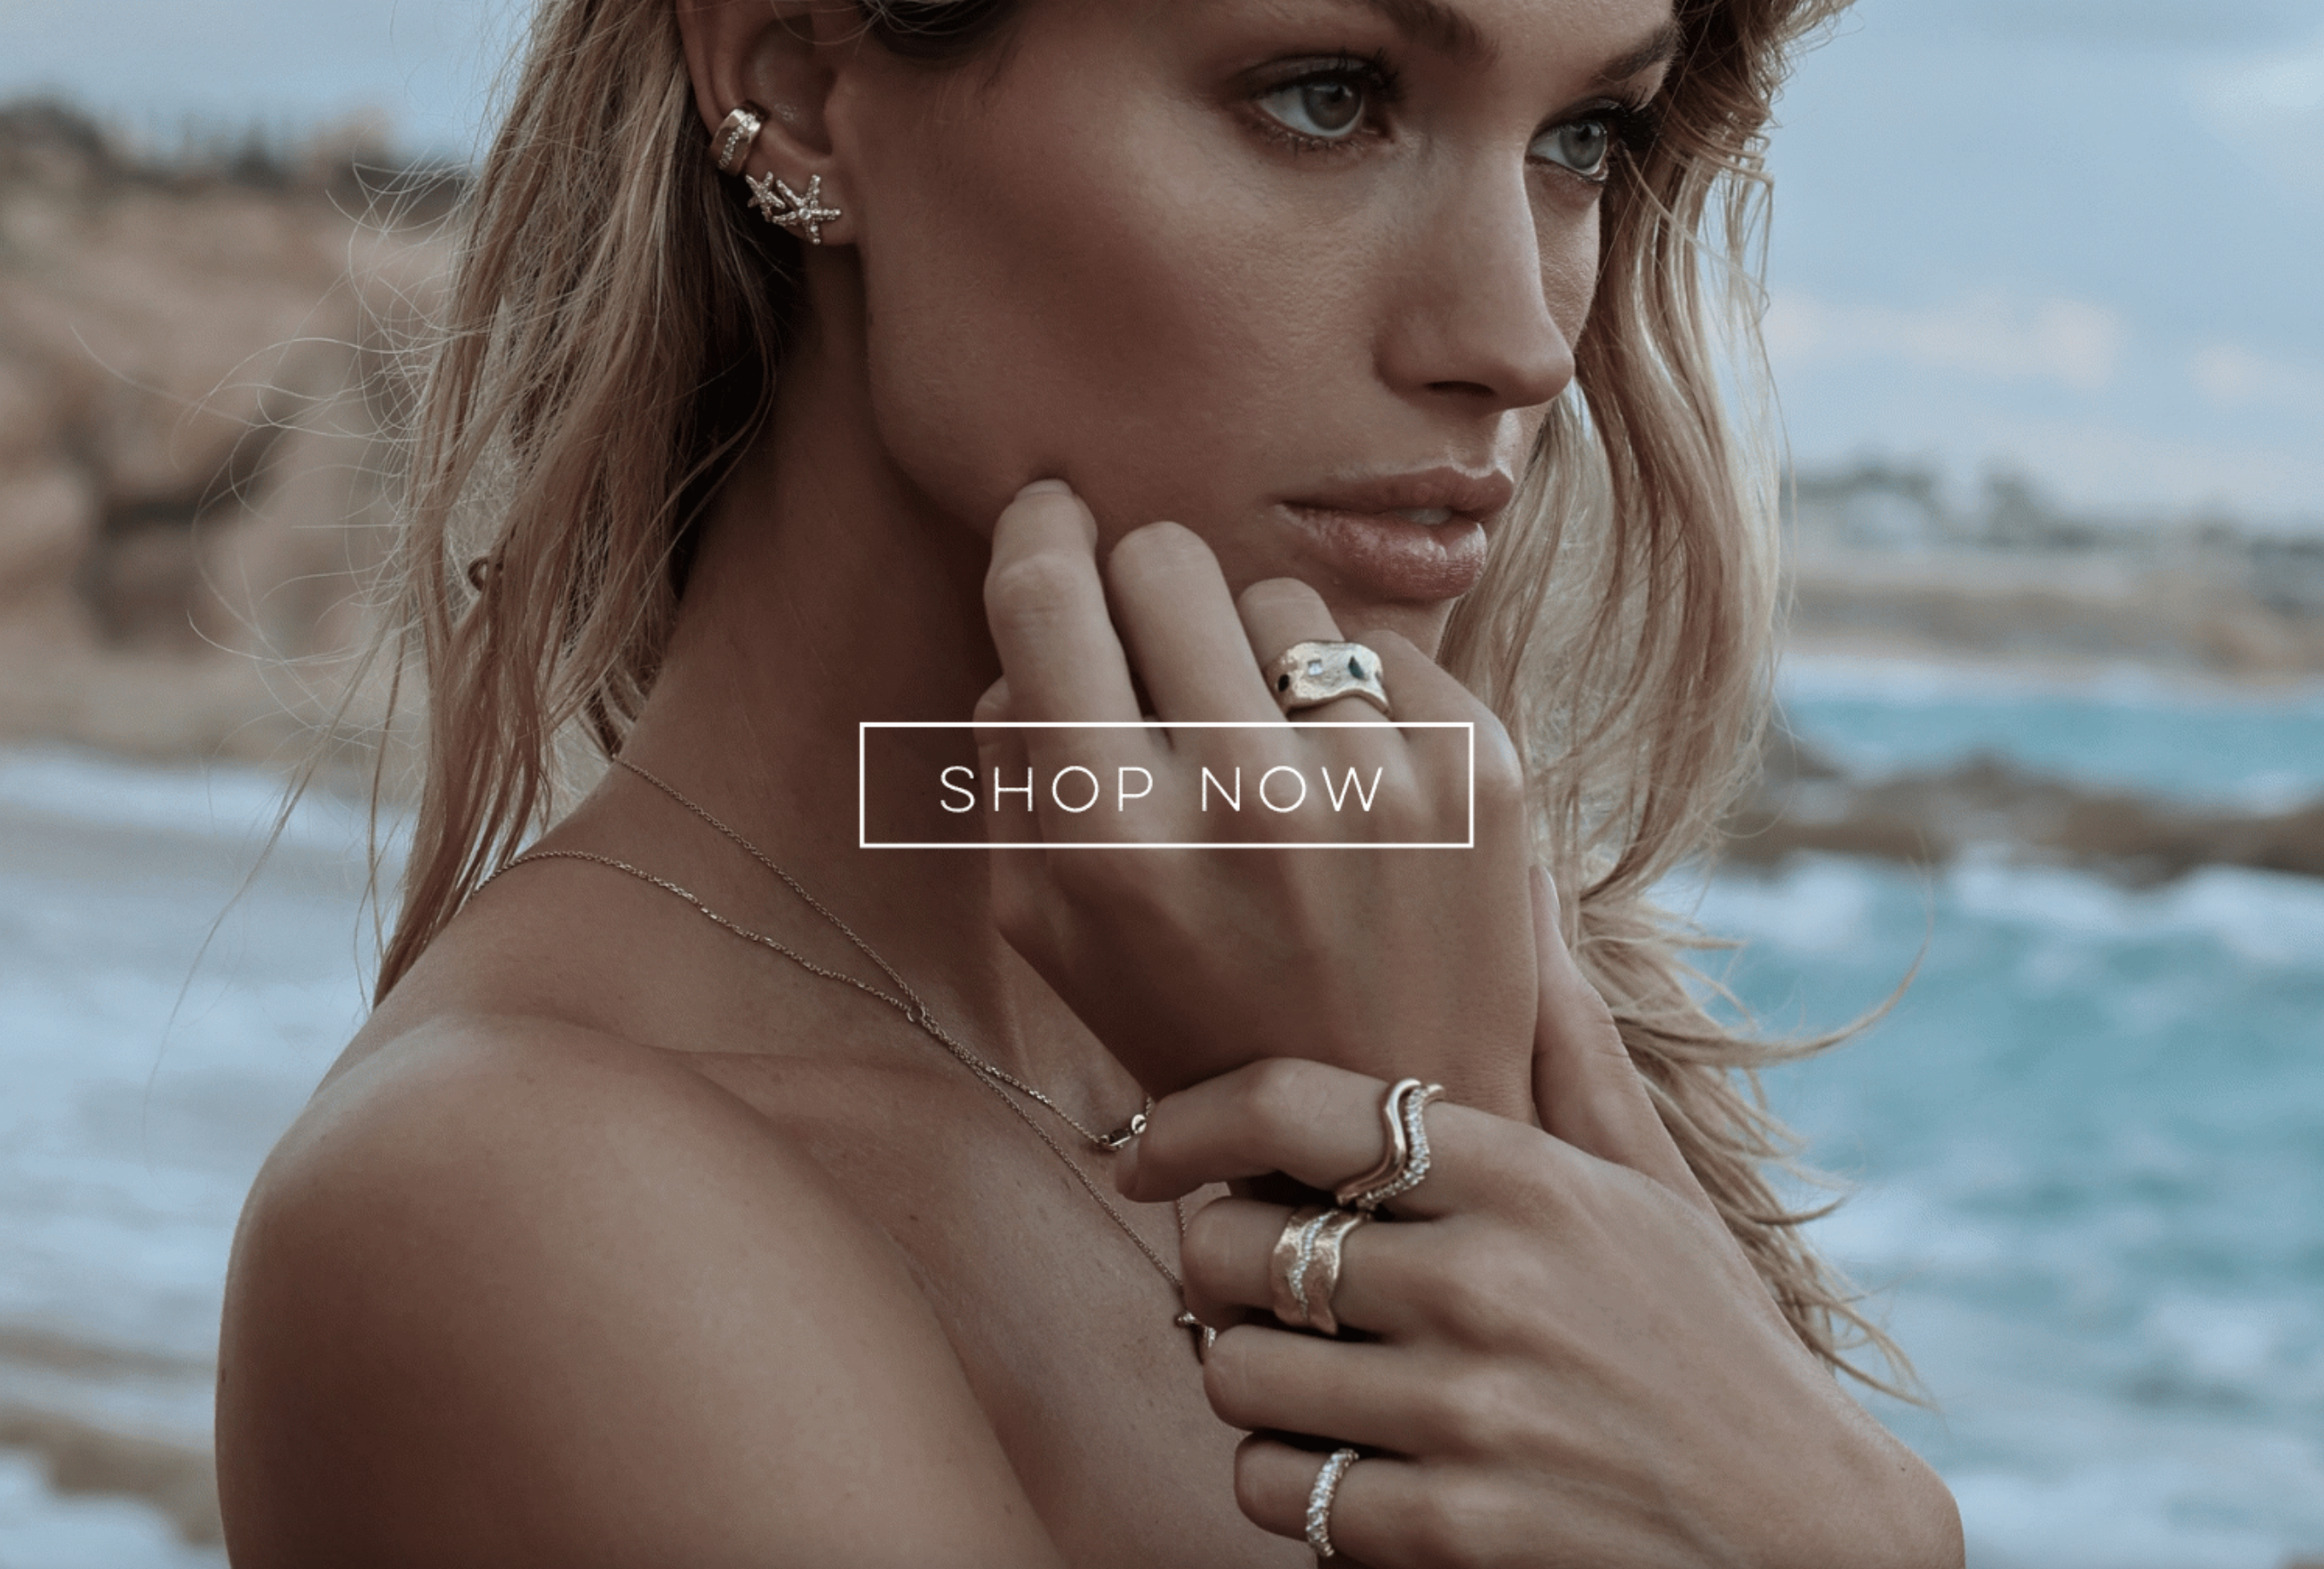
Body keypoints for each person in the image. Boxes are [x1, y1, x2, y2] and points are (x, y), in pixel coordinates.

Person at [215, 0, 1964, 1563]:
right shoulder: (515, 1210)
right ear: (797, 82)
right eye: (1327, 95)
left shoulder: (1415, 1025)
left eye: (1582, 137)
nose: (1516, 339)